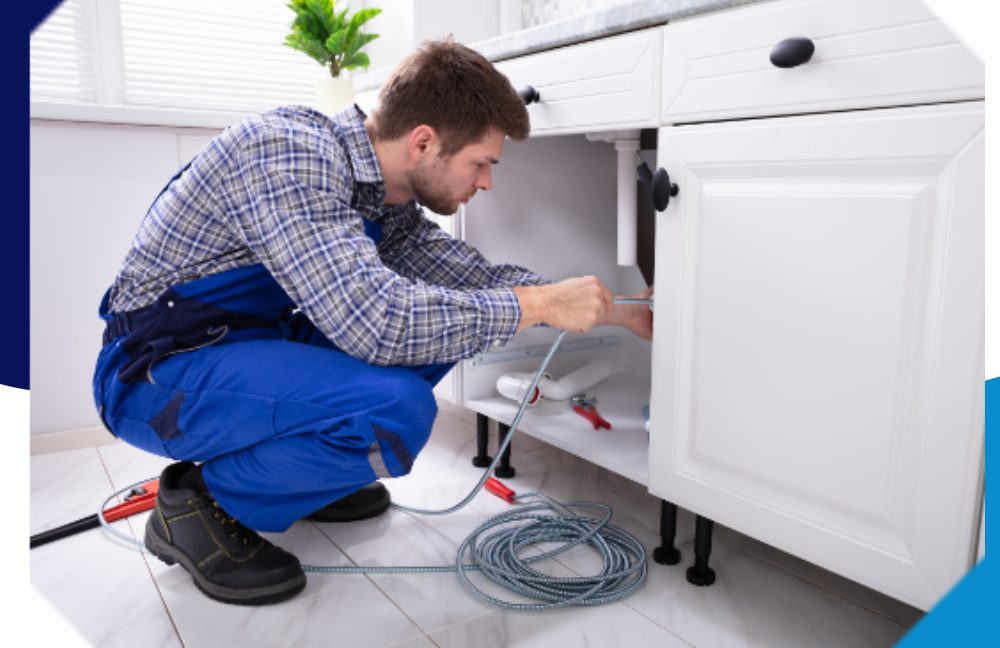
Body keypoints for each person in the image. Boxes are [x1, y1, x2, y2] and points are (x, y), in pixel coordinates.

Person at [92, 37, 654, 606]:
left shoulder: (387, 197)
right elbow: (378, 324)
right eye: (481, 164)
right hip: (157, 370)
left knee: (446, 318)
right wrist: (536, 307)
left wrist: (617, 310)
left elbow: (468, 279)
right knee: (394, 409)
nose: (485, 183)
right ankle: (198, 504)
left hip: (247, 346)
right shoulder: (288, 154)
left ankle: (301, 480)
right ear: (424, 141)